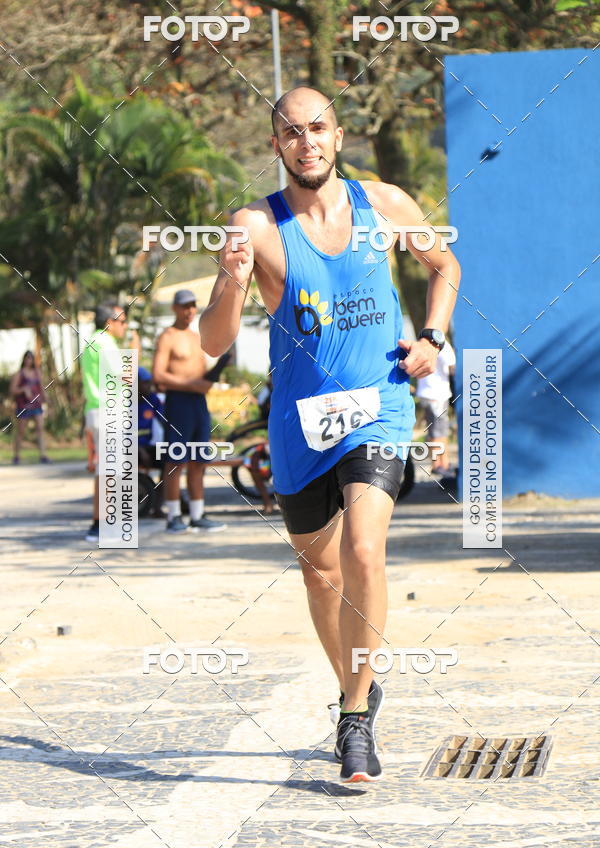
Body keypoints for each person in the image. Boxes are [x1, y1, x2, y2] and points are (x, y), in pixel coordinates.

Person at [200, 86, 460, 783]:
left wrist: (432, 336)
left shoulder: (385, 204)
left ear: (338, 136)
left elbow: (445, 266)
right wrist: (229, 284)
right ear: (275, 145)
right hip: (299, 423)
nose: (306, 141)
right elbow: (211, 342)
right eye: (291, 132)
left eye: (318, 128)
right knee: (321, 576)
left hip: (379, 407)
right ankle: (359, 685)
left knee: (365, 551)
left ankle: (353, 719)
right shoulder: (254, 225)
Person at [152, 289, 226, 534]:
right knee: (175, 460)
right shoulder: (168, 337)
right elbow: (158, 375)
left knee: (198, 460)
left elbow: (204, 373)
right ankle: (173, 516)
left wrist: (212, 376)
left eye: (193, 306)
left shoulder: (197, 337)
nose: (189, 311)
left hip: (198, 404)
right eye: (185, 306)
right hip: (178, 402)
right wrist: (191, 385)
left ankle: (197, 514)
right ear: (174, 308)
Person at [81, 303, 128, 542]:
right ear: (109, 322)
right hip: (108, 410)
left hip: (96, 408)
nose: (125, 326)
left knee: (105, 469)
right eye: (122, 321)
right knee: (112, 469)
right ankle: (105, 524)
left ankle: (99, 523)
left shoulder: (91, 340)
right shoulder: (106, 342)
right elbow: (125, 375)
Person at [416, 339, 456, 476]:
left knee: (434, 432)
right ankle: (441, 464)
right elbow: (452, 369)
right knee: (440, 433)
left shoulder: (421, 342)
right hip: (438, 394)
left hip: (425, 393)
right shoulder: (445, 346)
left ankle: (438, 464)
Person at [9, 351, 49, 464]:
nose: (28, 360)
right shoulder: (19, 374)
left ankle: (43, 455)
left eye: (31, 358)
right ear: (24, 359)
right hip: (23, 406)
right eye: (27, 358)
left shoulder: (37, 373)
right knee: (21, 431)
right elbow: (12, 390)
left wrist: (46, 399)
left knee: (40, 428)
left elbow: (41, 387)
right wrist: (23, 389)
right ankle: (16, 456)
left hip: (36, 404)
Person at [138, 366, 166, 518]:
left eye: (150, 382)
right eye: (145, 383)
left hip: (149, 447)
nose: (149, 386)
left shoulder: (153, 399)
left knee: (170, 462)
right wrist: (137, 447)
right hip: (129, 448)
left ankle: (158, 506)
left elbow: (163, 422)